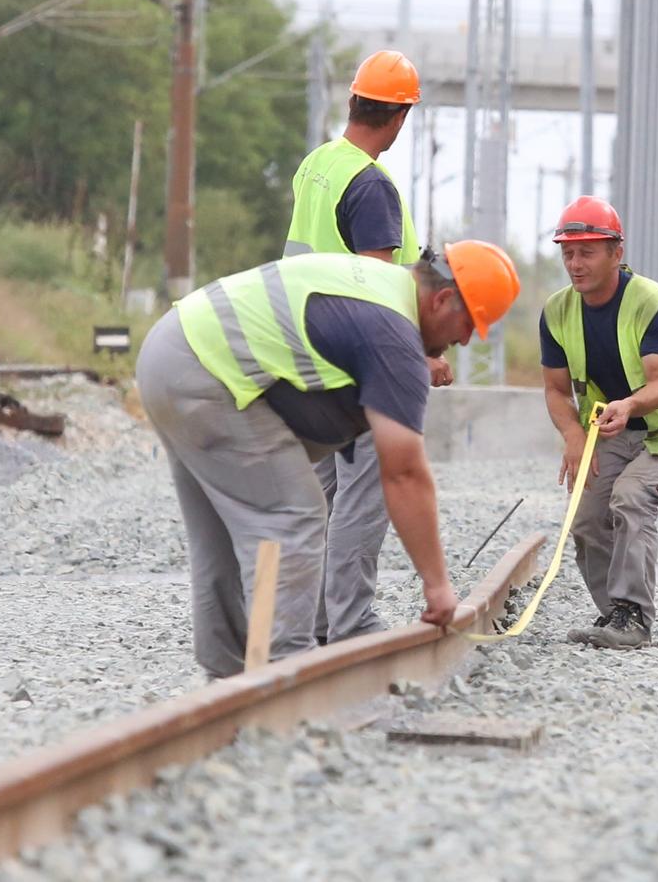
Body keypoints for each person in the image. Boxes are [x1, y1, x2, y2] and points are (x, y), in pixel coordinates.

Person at [136, 242, 520, 678]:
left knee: (220, 535)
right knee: (291, 514)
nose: (465, 340)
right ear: (443, 299)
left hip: (170, 351)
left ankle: (227, 682)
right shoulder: (392, 332)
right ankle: (280, 680)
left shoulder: (380, 286)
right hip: (209, 375)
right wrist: (437, 586)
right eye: (469, 323)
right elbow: (405, 474)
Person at [285, 49, 453, 644]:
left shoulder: (318, 165)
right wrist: (416, 356)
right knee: (367, 490)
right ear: (400, 116)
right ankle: (351, 621)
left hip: (304, 345)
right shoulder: (370, 183)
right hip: (352, 356)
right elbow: (376, 287)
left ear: (354, 100)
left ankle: (315, 621)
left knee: (323, 496)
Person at [538, 196, 658, 650]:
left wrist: (626, 406)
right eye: (568, 252)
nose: (575, 263)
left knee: (631, 496)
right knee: (585, 519)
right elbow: (556, 390)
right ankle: (614, 615)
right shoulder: (558, 312)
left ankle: (634, 617)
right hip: (619, 428)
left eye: (587, 252)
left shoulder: (651, 302)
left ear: (616, 253)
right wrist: (573, 436)